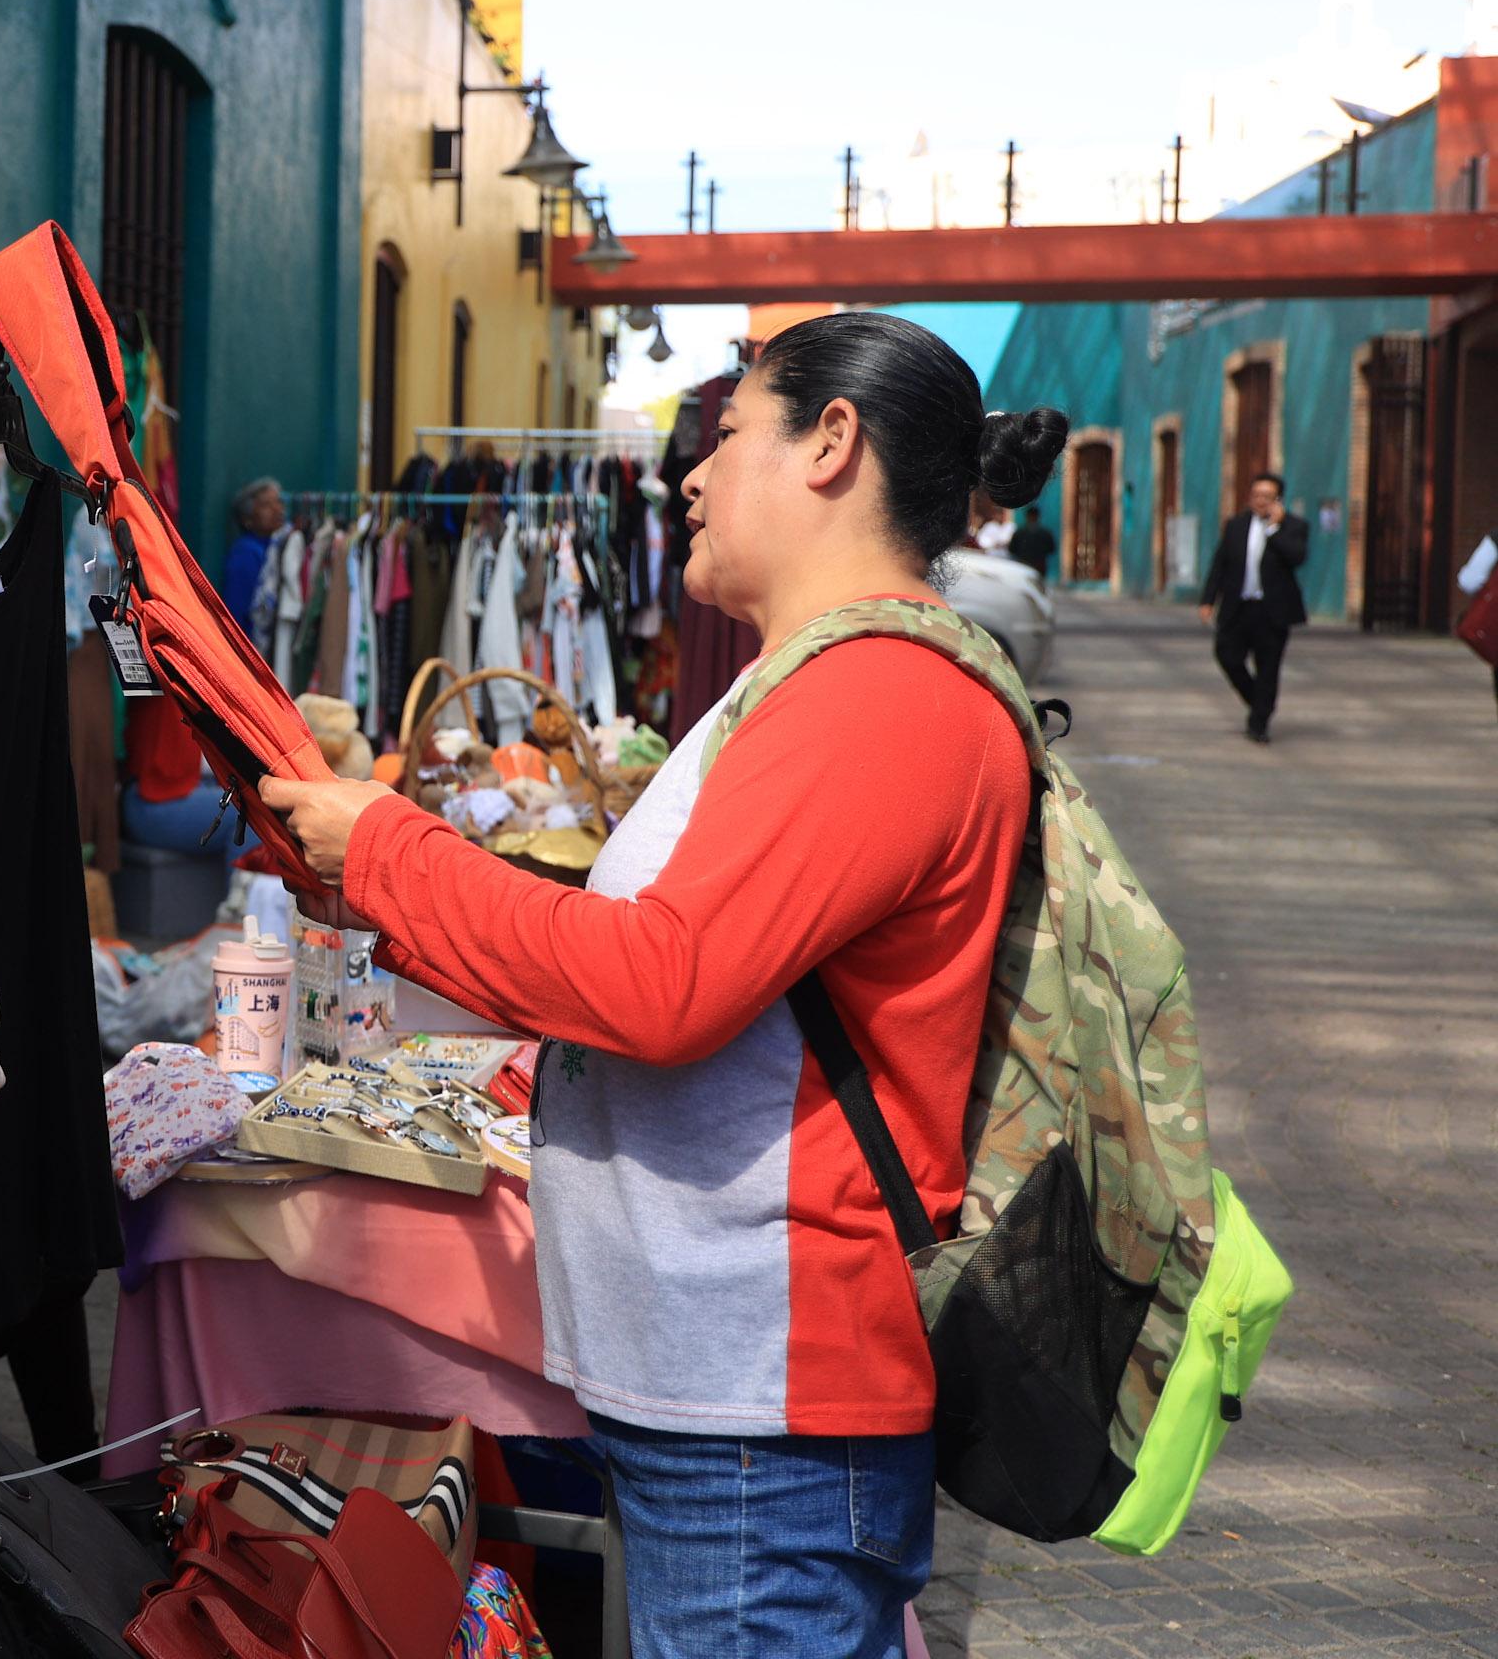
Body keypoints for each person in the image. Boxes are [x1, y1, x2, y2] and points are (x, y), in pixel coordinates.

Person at [257, 312, 1068, 1659]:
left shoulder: (884, 697)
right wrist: (384, 901)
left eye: (727, 434)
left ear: (831, 443)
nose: (692, 475)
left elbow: (664, 981)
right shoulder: (810, 680)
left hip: (765, 1403)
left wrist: (394, 852)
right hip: (725, 1390)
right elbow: (648, 966)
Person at [1197, 471, 1306, 743]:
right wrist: (1208, 600)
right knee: (1227, 654)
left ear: (1278, 500)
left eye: (1267, 496)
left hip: (1272, 611)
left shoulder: (1294, 526)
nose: (1260, 501)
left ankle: (1259, 724)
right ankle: (1259, 702)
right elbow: (1220, 564)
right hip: (1238, 607)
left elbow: (1297, 557)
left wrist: (1273, 529)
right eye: (1256, 495)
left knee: (1268, 668)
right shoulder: (1236, 525)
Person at [218, 477, 285, 634]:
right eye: (266, 505)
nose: (277, 509)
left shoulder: (280, 545)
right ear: (247, 518)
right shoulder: (246, 552)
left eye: (278, 502)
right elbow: (236, 614)